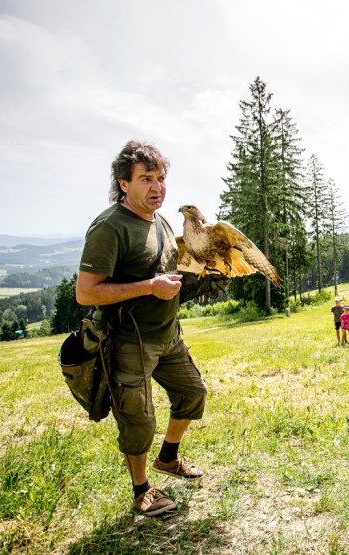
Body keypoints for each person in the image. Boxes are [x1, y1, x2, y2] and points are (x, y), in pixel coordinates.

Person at [76, 140, 206, 516]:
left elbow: (167, 270)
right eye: (146, 178)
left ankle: (168, 459)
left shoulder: (161, 220)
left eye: (161, 178)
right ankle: (142, 490)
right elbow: (86, 293)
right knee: (138, 420)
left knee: (193, 393)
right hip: (129, 339)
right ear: (123, 183)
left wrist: (198, 282)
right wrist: (149, 287)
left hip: (168, 335)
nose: (157, 187)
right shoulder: (109, 227)